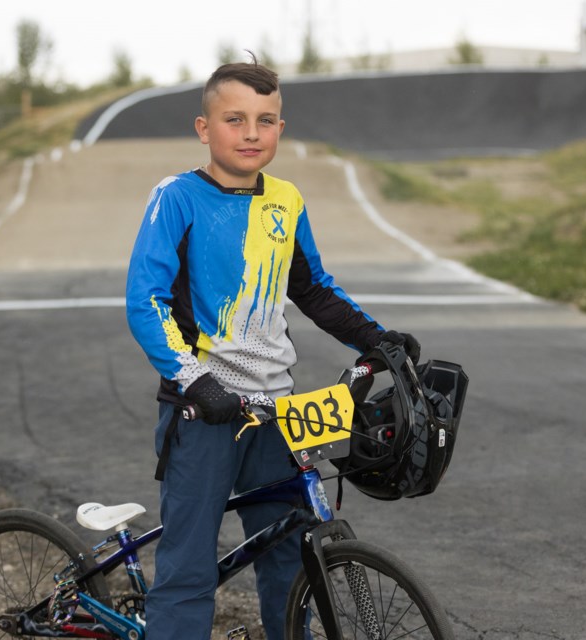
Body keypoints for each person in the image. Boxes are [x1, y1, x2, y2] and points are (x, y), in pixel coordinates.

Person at [125, 56, 419, 640]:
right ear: (204, 129)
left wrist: (376, 338)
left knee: (290, 554)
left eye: (266, 120)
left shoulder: (286, 199)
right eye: (235, 119)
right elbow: (145, 301)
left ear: (281, 129)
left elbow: (311, 287)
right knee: (188, 569)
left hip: (278, 411)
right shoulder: (177, 198)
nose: (252, 133)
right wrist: (193, 380)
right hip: (204, 409)